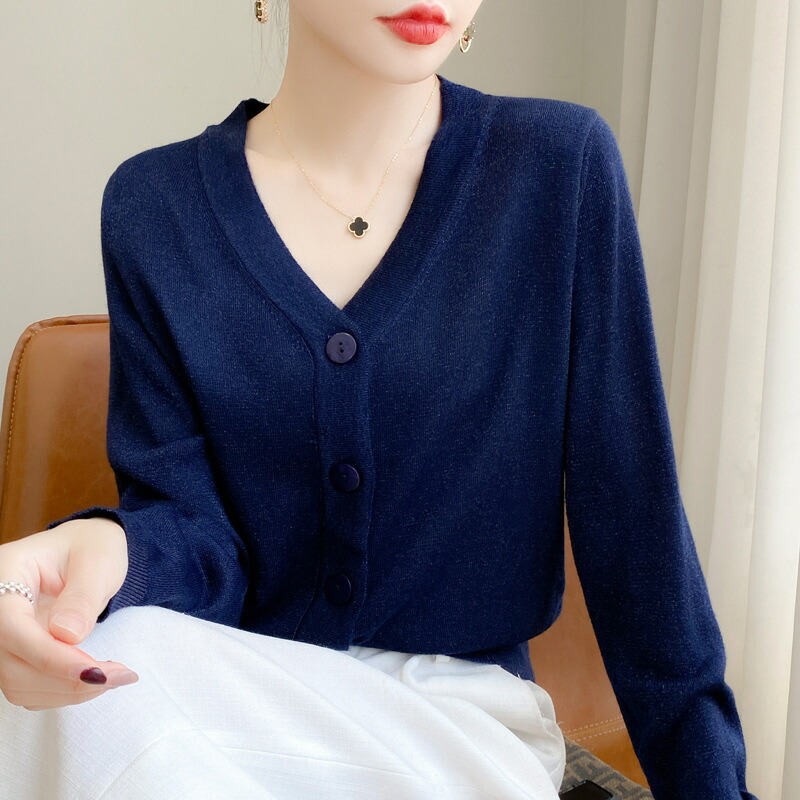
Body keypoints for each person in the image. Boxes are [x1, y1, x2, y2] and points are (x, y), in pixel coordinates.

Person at [0, 2, 758, 799]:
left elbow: (636, 534)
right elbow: (196, 538)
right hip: (245, 707)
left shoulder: (555, 168)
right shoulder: (156, 208)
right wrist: (107, 548)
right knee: (86, 677)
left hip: (464, 732)